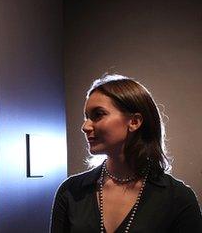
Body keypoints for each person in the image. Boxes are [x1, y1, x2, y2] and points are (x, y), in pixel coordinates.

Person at [50, 74, 202, 232]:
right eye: (87, 117)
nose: (85, 126)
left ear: (134, 122)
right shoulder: (71, 191)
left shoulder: (178, 198)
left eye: (98, 115)